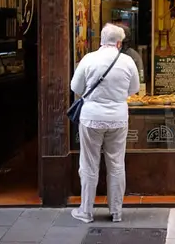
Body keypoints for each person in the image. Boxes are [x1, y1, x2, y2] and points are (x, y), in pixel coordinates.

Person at [70, 23, 139, 223]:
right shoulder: (127, 61)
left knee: (89, 164)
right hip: (118, 118)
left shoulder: (89, 59)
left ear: (101, 39)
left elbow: (75, 86)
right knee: (116, 164)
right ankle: (116, 212)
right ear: (119, 42)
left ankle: (86, 211)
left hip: (91, 118)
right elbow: (133, 89)